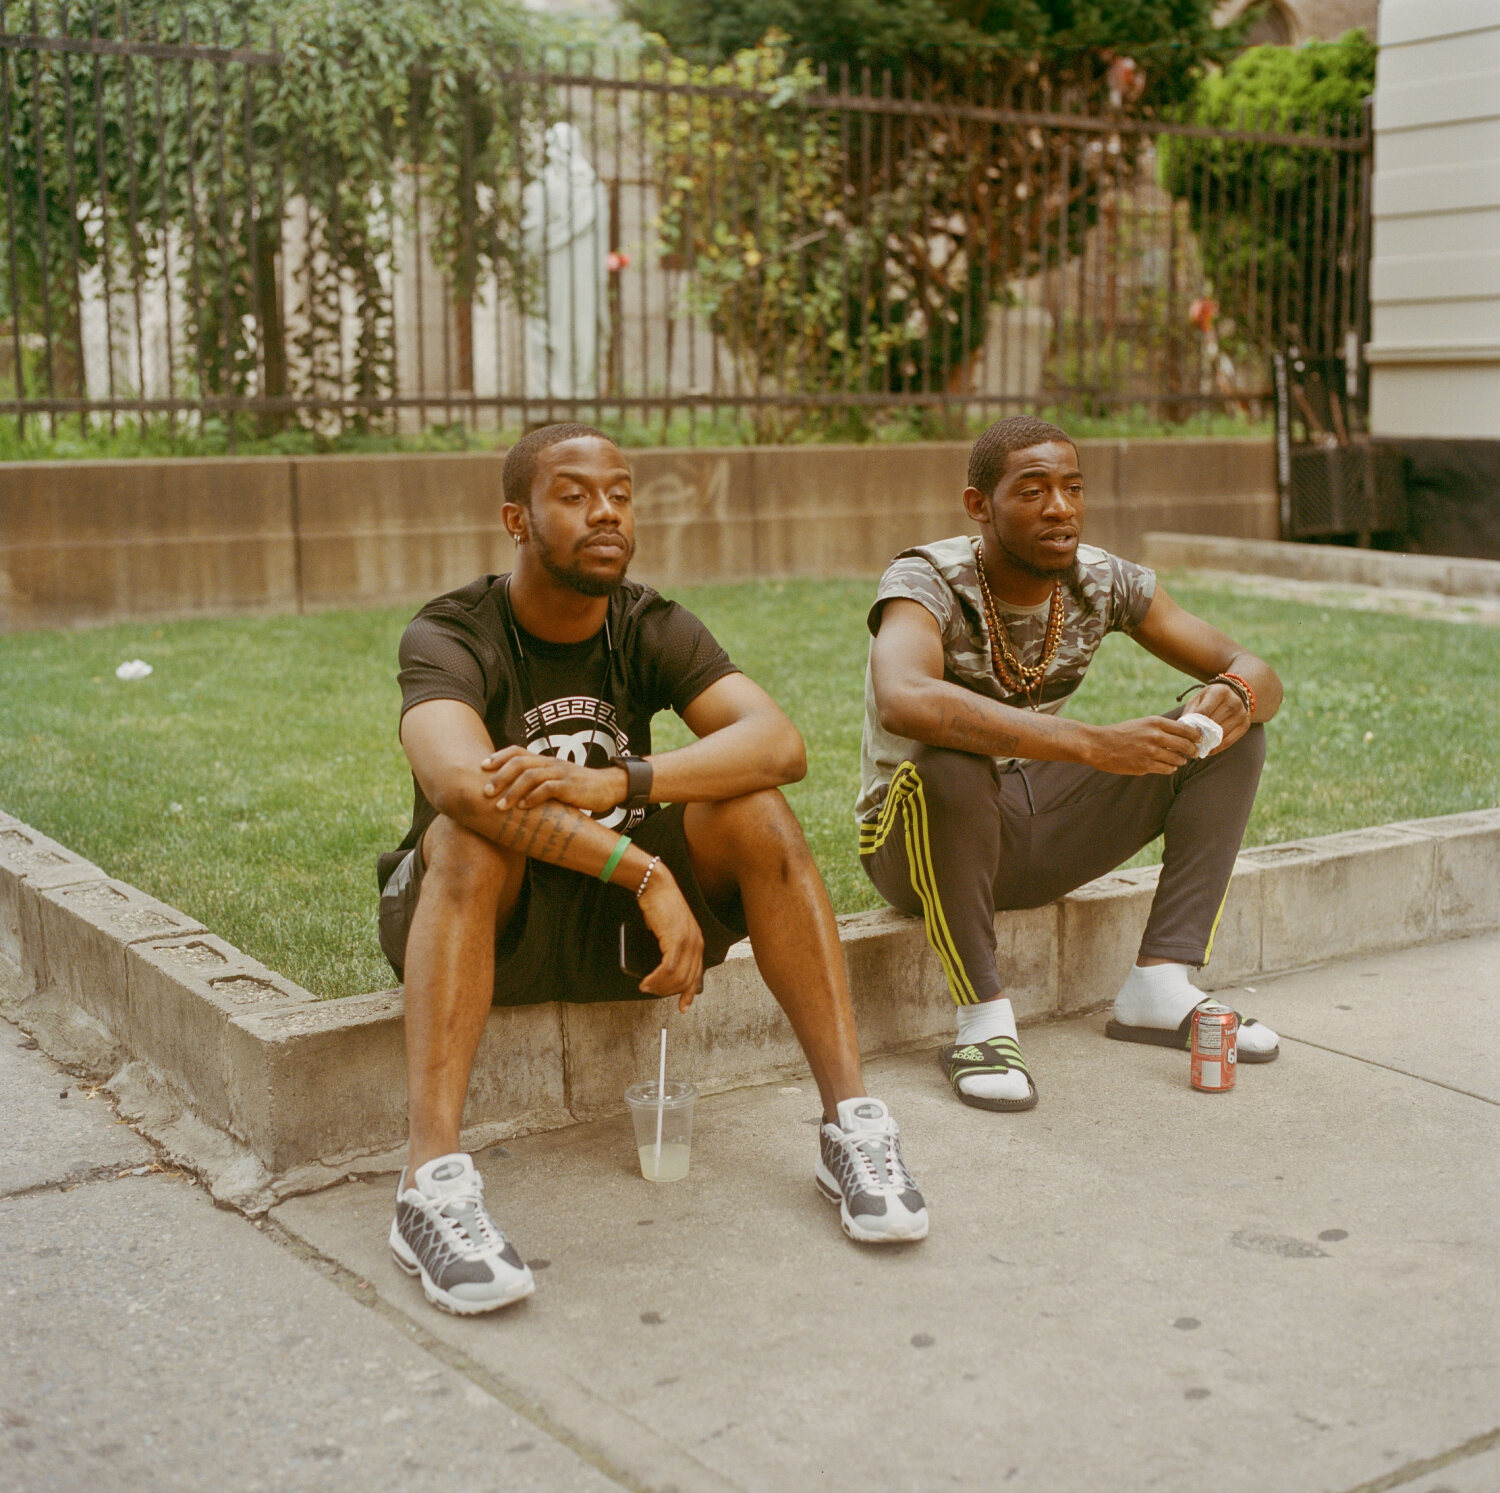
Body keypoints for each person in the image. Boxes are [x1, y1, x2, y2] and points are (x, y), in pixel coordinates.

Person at [376, 423, 928, 1316]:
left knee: (757, 809)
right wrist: (642, 869)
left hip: (614, 936)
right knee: (470, 834)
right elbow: (461, 785)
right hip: (491, 923)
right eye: (574, 495)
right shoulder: (450, 632)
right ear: (517, 519)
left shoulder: (645, 623)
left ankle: (852, 1126)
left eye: (621, 494)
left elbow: (778, 742)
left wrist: (621, 781)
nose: (606, 512)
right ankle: (428, 1184)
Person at [859, 415, 1283, 1113]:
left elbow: (1256, 670)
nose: (1060, 508)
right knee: (950, 761)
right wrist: (1090, 743)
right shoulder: (926, 578)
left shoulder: (1101, 580)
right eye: (1032, 491)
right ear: (979, 505)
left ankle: (1160, 983)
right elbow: (905, 699)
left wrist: (1235, 694)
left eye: (1073, 488)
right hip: (915, 845)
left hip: (1029, 823)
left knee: (1227, 734)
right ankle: (983, 1023)